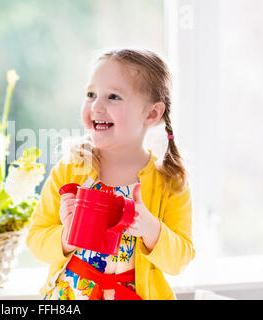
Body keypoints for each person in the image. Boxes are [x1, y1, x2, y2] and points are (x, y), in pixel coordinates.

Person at [26, 49, 195, 300]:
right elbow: (35, 239)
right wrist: (67, 235)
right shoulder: (71, 169)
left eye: (113, 96)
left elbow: (180, 261)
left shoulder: (169, 182)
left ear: (151, 113)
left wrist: (150, 228)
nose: (96, 106)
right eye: (91, 94)